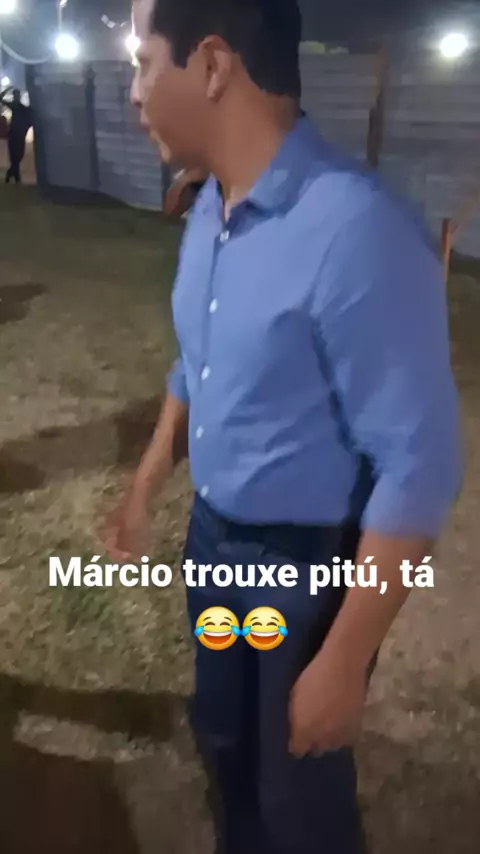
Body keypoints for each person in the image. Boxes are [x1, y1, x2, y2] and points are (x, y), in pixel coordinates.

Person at [105, 1, 463, 852]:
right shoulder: (211, 208)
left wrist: (342, 659)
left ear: (213, 65)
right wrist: (146, 485)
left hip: (303, 572)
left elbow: (418, 464)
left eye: (143, 64)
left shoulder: (358, 230)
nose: (134, 94)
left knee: (297, 799)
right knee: (225, 747)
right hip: (213, 547)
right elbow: (199, 365)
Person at [0, 87, 32, 185]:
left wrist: (6, 90)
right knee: (16, 156)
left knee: (15, 157)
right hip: (17, 135)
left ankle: (11, 174)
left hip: (15, 135)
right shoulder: (20, 107)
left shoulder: (18, 107)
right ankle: (15, 176)